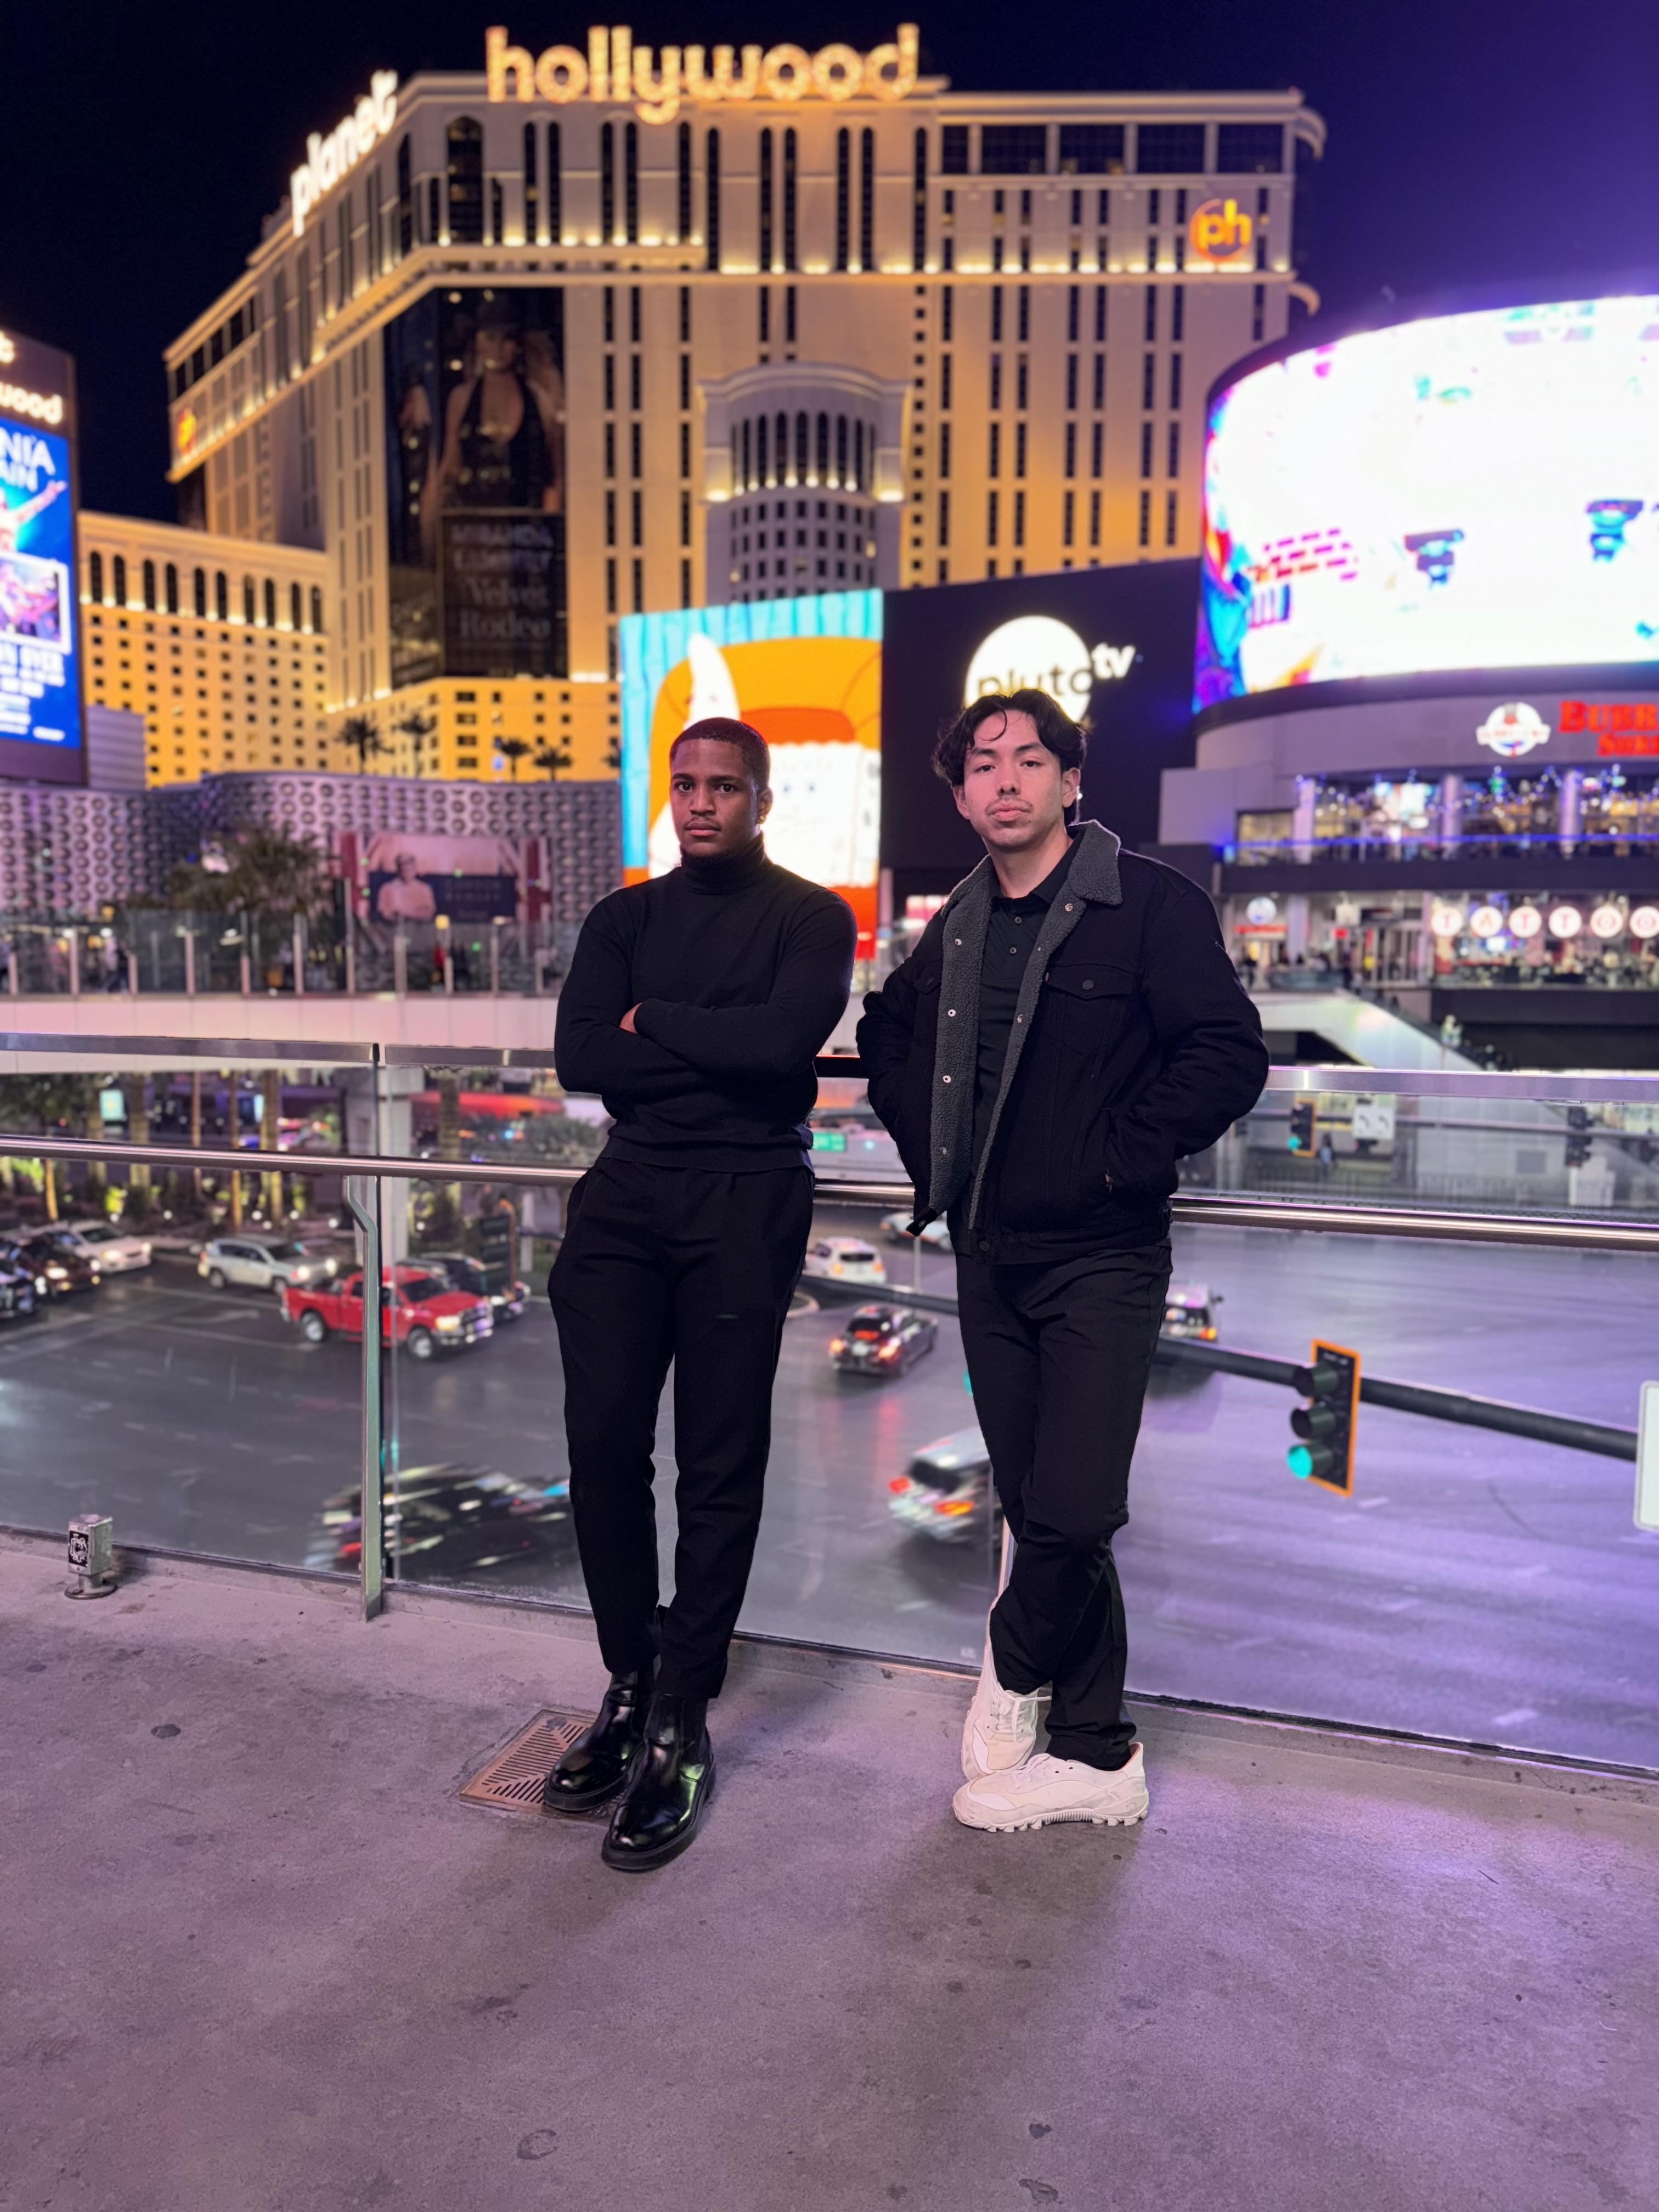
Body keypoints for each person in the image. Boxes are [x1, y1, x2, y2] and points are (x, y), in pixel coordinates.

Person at [858, 691, 1267, 1835]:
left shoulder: (1149, 907)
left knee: (1076, 1508)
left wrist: (1114, 1161)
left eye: (1030, 760)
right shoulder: (963, 918)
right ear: (960, 794)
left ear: (1070, 782)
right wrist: (929, 1153)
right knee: (1039, 1501)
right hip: (989, 1254)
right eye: (983, 765)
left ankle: (1010, 1665)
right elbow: (889, 1030)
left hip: (1103, 1254)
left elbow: (1228, 1055)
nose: (1006, 781)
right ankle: (1096, 1753)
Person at [546, 716, 855, 1871]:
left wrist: (658, 1024)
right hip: (626, 1198)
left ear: (762, 800)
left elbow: (788, 1044)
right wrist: (715, 1047)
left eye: (725, 786)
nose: (702, 803)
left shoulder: (809, 915)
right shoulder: (622, 918)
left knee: (720, 1459)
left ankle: (684, 1712)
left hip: (749, 1197)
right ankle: (630, 1684)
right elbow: (584, 1058)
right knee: (604, 1451)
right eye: (685, 785)